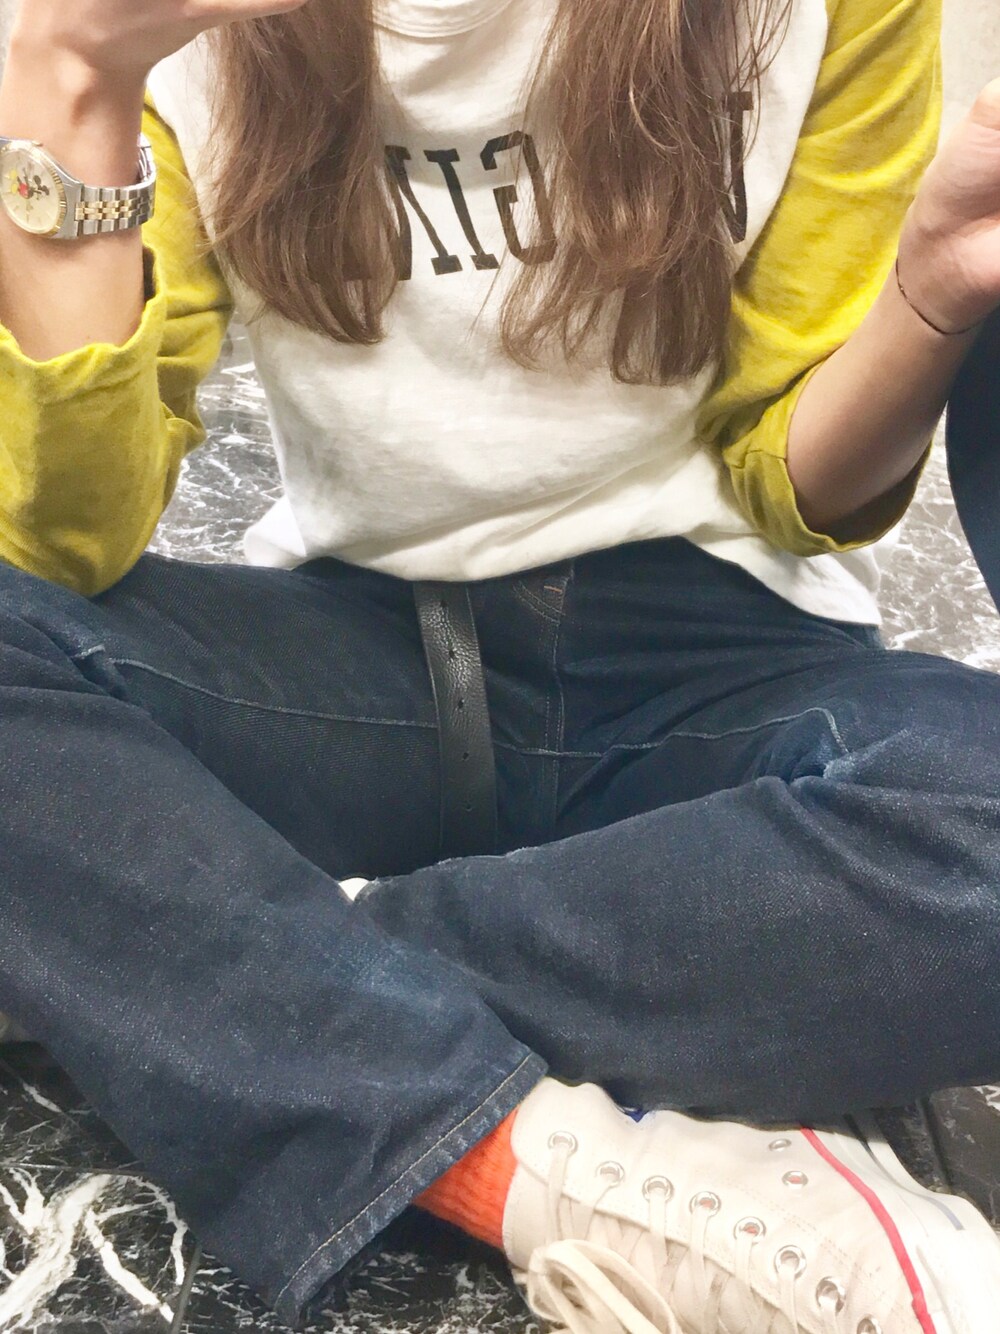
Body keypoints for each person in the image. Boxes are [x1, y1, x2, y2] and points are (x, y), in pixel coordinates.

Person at [1, 0, 1000, 1328]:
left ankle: (200, 953)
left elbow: (791, 482)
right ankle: (543, 1174)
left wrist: (928, 295)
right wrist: (70, 74)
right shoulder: (192, 30)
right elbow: (73, 535)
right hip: (356, 657)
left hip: (716, 657)